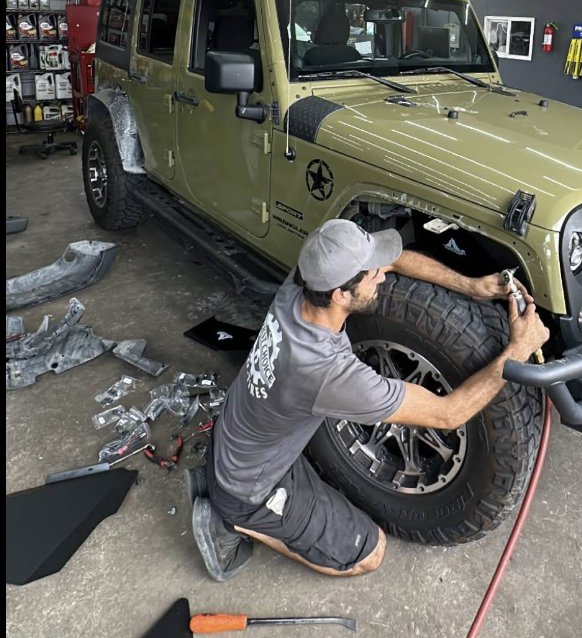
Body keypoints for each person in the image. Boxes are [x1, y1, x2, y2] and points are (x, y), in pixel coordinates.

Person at [190, 219, 549, 582]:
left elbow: (393, 261)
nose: (383, 276)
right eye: (372, 274)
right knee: (371, 554)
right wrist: (518, 350)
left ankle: (220, 484)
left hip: (236, 431)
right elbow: (449, 414)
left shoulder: (302, 283)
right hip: (250, 487)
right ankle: (233, 523)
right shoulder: (323, 371)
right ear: (340, 295)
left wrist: (471, 286)